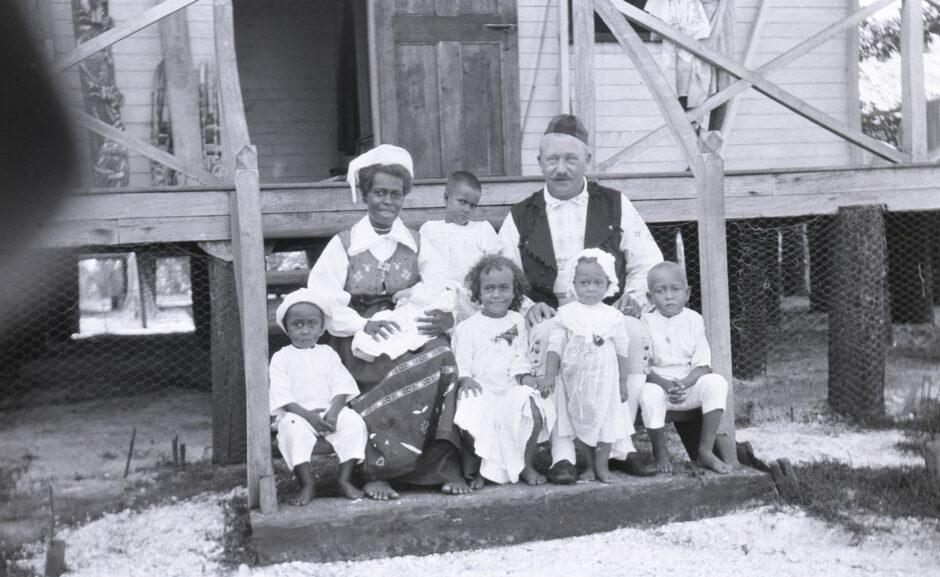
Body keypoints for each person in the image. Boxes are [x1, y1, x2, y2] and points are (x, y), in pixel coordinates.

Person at [498, 114, 663, 483]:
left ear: (588, 160)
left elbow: (647, 261)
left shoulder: (616, 204)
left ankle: (622, 446)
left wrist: (632, 298)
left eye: (571, 159)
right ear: (539, 162)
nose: (561, 169)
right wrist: (527, 306)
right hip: (552, 311)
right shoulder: (520, 215)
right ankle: (562, 454)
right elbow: (503, 271)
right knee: (549, 339)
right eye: (552, 160)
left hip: (604, 307)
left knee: (633, 335)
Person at [309, 144, 471, 500]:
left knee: (441, 355)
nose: (388, 201)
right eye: (380, 193)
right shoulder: (345, 244)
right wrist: (360, 325)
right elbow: (321, 297)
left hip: (405, 324)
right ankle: (375, 471)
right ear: (365, 194)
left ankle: (439, 467)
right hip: (357, 333)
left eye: (396, 194)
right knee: (379, 366)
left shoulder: (416, 242)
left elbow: (443, 285)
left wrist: (444, 313)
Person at [452, 255, 554, 488]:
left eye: (503, 288)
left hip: (510, 386)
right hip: (482, 386)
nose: (496, 294)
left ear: (515, 291)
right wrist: (465, 378)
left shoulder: (517, 321)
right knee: (471, 408)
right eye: (489, 289)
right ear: (478, 293)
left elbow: (521, 356)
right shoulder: (468, 327)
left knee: (532, 406)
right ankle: (481, 468)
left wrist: (526, 377)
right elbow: (462, 361)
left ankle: (526, 464)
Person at [269, 288, 368, 504]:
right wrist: (309, 417)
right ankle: (307, 484)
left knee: (353, 422)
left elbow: (343, 386)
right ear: (286, 328)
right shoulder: (281, 358)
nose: (305, 331)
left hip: (329, 413)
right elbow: (283, 398)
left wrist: (333, 412)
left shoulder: (328, 354)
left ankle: (344, 479)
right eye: (297, 325)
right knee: (292, 429)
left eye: (312, 324)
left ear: (322, 329)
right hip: (298, 416)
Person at [543, 250, 631, 483]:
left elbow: (622, 350)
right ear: (573, 284)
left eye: (597, 283)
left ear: (608, 284)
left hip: (605, 381)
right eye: (584, 283)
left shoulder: (613, 316)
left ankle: (602, 465)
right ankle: (589, 464)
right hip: (574, 381)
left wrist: (623, 382)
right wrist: (550, 375)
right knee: (578, 420)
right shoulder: (566, 314)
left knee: (606, 421)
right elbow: (555, 346)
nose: (591, 288)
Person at [638, 261, 731, 474]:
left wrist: (683, 384)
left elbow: (703, 366)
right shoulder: (645, 322)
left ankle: (705, 452)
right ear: (650, 297)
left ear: (687, 293)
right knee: (648, 393)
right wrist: (666, 385)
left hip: (688, 386)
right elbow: (643, 367)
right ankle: (660, 451)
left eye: (675, 289)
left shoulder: (694, 320)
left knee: (717, 382)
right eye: (660, 291)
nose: (669, 296)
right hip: (659, 386)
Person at [418, 171, 504, 323]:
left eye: (473, 205)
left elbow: (495, 265)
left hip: (470, 298)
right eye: (462, 202)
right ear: (446, 198)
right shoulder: (430, 230)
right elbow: (421, 265)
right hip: (437, 294)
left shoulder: (481, 230)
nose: (467, 209)